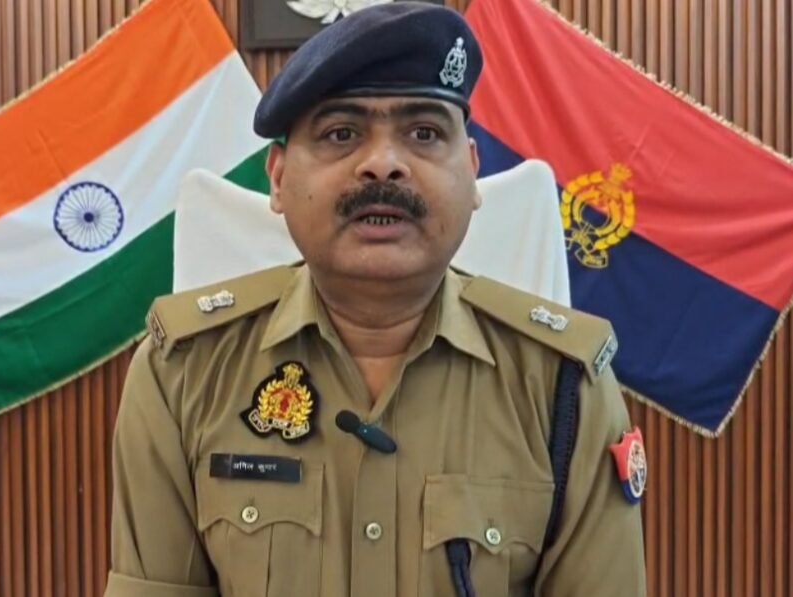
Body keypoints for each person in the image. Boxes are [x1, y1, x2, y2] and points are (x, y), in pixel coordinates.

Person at [104, 3, 646, 596]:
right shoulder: (182, 373)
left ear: (471, 173)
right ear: (278, 179)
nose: (383, 165)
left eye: (424, 133)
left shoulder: (564, 385)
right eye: (341, 134)